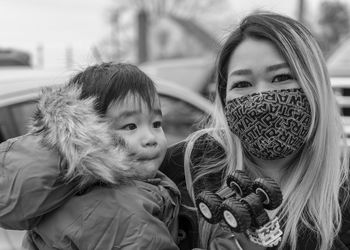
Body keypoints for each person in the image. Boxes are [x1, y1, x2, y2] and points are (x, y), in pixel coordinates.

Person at [160, 12, 350, 250]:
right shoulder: (187, 166)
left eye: (281, 77)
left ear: (314, 85)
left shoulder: (342, 196)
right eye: (242, 84)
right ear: (224, 96)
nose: (261, 98)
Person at [0, 62, 180, 249]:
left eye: (157, 124)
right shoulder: (126, 211)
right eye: (130, 126)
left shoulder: (65, 192)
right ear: (91, 136)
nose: (150, 138)